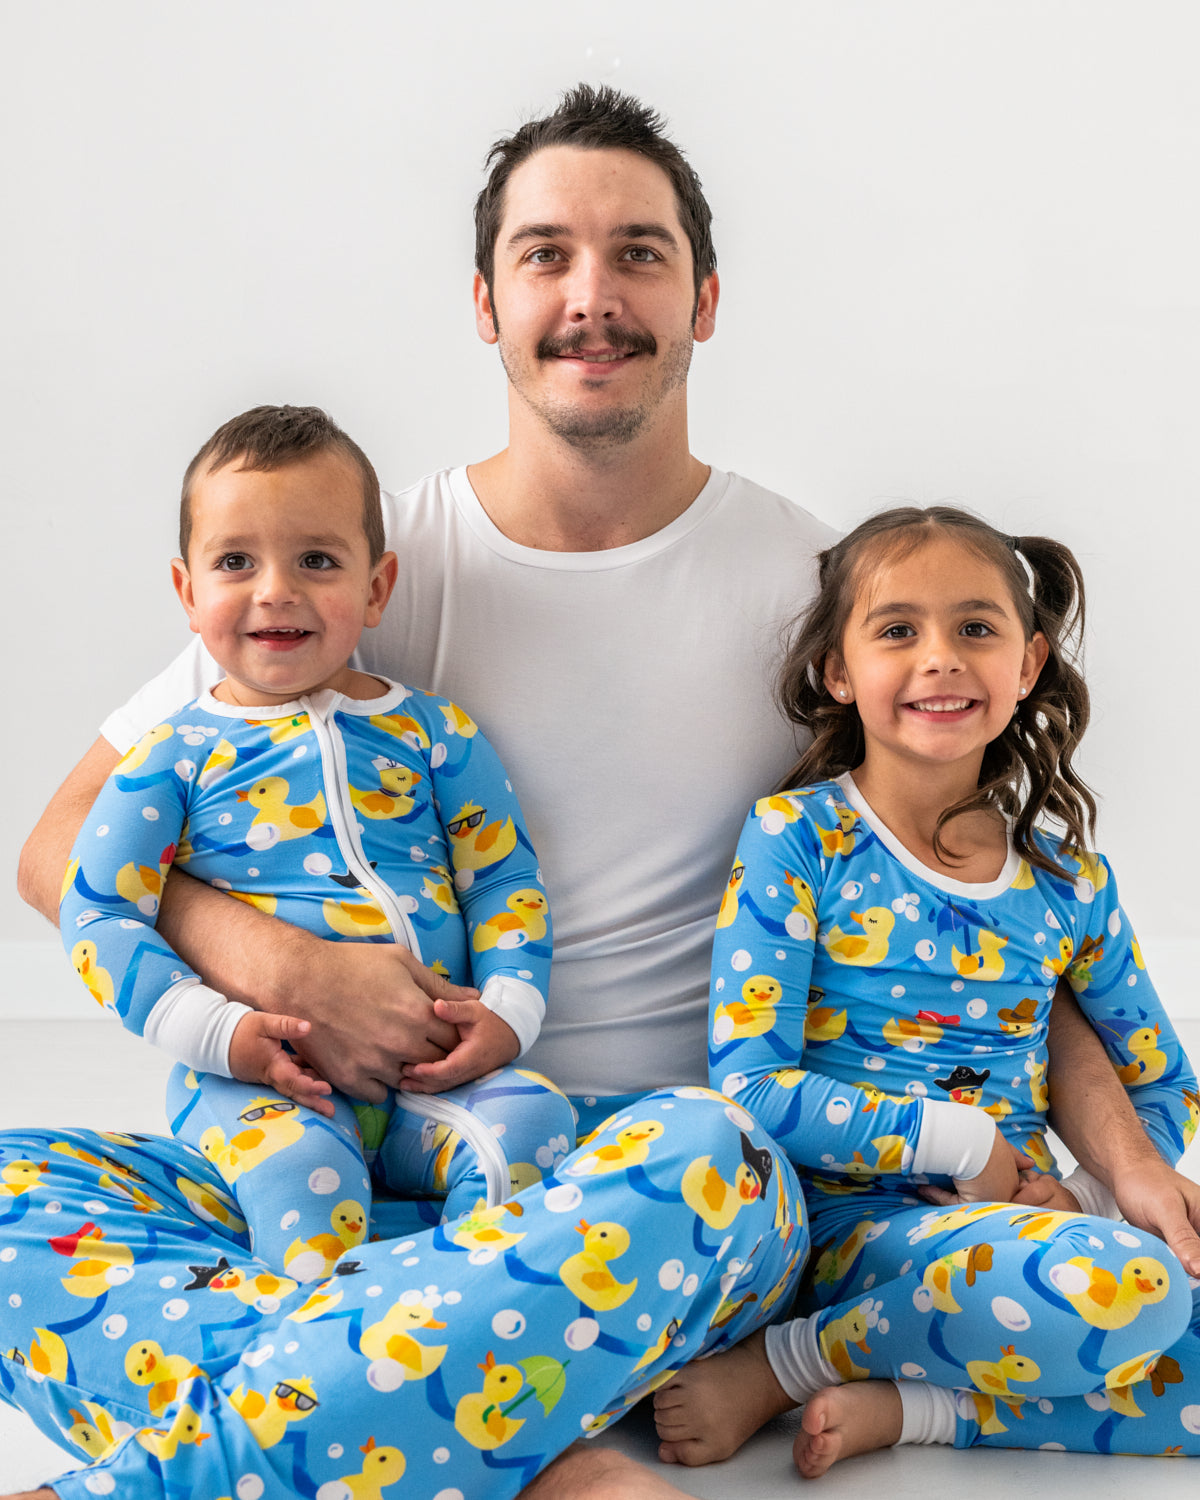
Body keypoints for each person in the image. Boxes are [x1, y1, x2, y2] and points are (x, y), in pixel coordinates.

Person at [8, 85, 1200, 1497]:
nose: (592, 296)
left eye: (638, 253)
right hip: (362, 1170)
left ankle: (223, 1462)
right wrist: (286, 966)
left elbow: (994, 912)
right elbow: (64, 845)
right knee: (21, 1193)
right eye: (546, 255)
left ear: (704, 297)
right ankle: (513, 1435)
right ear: (483, 300)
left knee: (703, 1145)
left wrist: (1129, 1167)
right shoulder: (357, 568)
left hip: (664, 1201)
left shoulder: (819, 591)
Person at [652, 506, 1200, 1475]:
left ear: (1027, 666)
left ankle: (911, 1410)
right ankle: (789, 1364)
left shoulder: (1070, 881)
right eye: (898, 630)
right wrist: (974, 1146)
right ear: (837, 671)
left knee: (1131, 1281)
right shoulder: (798, 840)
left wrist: (1085, 1192)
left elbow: (1160, 1082)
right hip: (856, 1236)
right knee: (1128, 1294)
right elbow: (755, 1090)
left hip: (1034, 1232)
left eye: (976, 629)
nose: (940, 658)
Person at [60, 401, 577, 1273]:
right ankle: (319, 1350)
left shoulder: (437, 735)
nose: (276, 589)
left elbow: (501, 880)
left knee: (531, 1127)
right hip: (261, 1081)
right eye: (235, 561)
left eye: (316, 559)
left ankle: (465, 1327)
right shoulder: (170, 757)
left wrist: (510, 1012)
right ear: (188, 593)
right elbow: (100, 911)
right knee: (305, 1177)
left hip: (434, 1069)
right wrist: (220, 1034)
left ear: (376, 586)